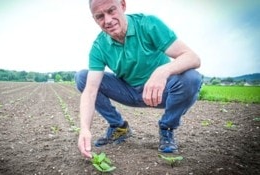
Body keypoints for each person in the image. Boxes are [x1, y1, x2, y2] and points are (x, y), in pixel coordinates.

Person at [75, 0, 202, 158]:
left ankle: (167, 128)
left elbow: (193, 58)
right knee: (82, 77)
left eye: (111, 11)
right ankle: (118, 127)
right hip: (128, 92)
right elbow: (90, 91)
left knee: (192, 78)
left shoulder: (148, 24)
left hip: (160, 92)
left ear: (123, 5)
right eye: (100, 16)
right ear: (94, 19)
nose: (107, 20)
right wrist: (85, 129)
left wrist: (163, 71)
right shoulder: (99, 46)